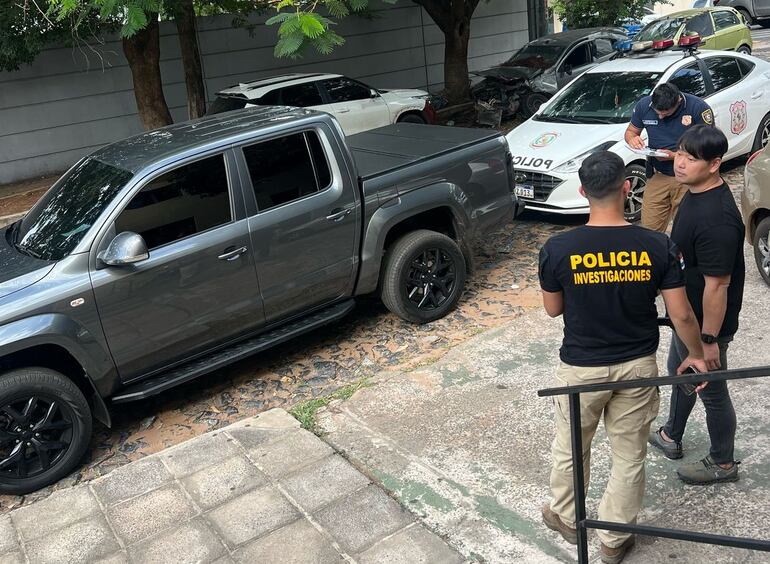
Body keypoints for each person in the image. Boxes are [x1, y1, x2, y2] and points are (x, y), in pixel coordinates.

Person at [538, 151, 708, 564]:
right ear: (627, 187)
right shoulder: (657, 245)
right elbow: (682, 314)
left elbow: (553, 309)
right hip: (637, 366)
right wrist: (698, 355)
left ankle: (567, 517)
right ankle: (614, 539)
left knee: (571, 447)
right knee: (629, 455)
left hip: (581, 368)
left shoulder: (558, 248)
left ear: (583, 192)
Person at [649, 125, 745, 485]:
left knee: (712, 390)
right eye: (680, 153)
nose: (680, 163)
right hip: (687, 316)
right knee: (680, 370)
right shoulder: (695, 191)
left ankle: (723, 463)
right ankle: (671, 435)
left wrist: (707, 341)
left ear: (714, 164)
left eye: (691, 159)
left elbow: (718, 285)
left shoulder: (718, 219)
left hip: (706, 324)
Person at [625, 82, 713, 232]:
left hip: (689, 177)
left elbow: (708, 145)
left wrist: (675, 156)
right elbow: (631, 131)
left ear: (678, 100)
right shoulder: (644, 105)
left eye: (666, 113)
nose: (660, 116)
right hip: (657, 175)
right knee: (649, 229)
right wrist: (632, 139)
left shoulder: (698, 108)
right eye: (657, 112)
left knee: (685, 228)